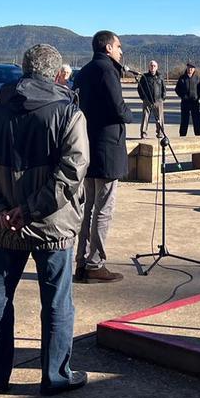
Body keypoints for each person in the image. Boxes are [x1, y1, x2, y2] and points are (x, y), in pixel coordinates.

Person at [0, 43, 90, 396]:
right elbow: (73, 172)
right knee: (57, 301)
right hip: (53, 224)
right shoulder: (69, 113)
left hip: (6, 224)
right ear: (55, 73)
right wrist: (30, 209)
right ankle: (56, 376)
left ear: (24, 69)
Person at [71, 31, 132, 284]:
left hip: (89, 146)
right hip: (106, 149)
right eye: (118, 46)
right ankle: (95, 263)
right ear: (108, 47)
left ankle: (82, 261)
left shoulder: (84, 71)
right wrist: (129, 114)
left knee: (89, 209)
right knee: (103, 209)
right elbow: (117, 108)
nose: (120, 51)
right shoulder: (107, 70)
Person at [136, 59, 166, 137]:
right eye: (151, 66)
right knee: (145, 117)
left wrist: (163, 98)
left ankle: (160, 133)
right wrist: (143, 98)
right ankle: (143, 133)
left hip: (158, 101)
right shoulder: (144, 77)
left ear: (157, 67)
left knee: (160, 118)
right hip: (147, 101)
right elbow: (139, 88)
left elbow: (164, 88)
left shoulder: (160, 76)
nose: (152, 67)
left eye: (154, 66)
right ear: (149, 67)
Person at [174, 62, 200, 137]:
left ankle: (198, 134)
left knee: (196, 119)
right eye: (189, 68)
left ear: (194, 69)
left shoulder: (197, 78)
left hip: (194, 102)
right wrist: (183, 96)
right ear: (187, 68)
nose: (190, 69)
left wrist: (197, 97)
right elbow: (177, 89)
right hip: (185, 102)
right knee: (184, 119)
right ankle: (182, 135)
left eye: (192, 68)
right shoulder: (182, 78)